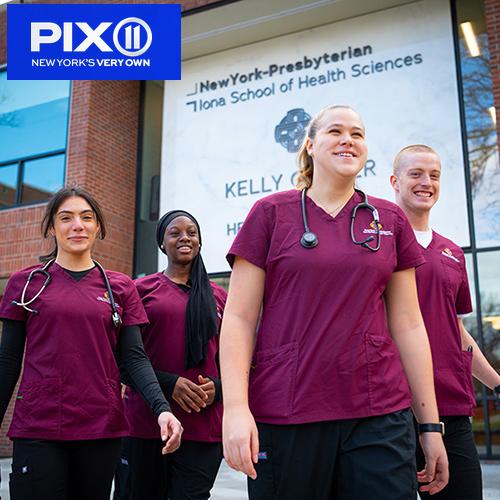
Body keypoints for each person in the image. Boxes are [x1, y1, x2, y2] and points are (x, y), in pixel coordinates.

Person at [220, 105, 449, 500]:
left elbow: (409, 324)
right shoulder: (271, 215)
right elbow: (239, 318)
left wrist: (430, 426)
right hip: (288, 410)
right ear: (310, 145)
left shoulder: (389, 219)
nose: (348, 140)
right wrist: (236, 409)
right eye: (335, 131)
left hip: (379, 413)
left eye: (357, 134)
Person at [0, 186, 183, 500]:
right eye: (66, 218)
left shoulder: (120, 287)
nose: (77, 225)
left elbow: (135, 358)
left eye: (86, 217)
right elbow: (7, 361)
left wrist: (161, 409)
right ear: (51, 227)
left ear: (98, 226)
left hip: (100, 426)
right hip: (40, 425)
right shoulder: (26, 283)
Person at [391, 144, 500, 499]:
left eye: (434, 175)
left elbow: (456, 331)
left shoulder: (452, 252)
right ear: (394, 181)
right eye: (416, 174)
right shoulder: (377, 247)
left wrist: (497, 384)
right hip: (391, 412)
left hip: (449, 409)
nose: (426, 182)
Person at [119, 210, 227, 500]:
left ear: (200, 242)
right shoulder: (139, 290)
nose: (185, 238)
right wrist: (170, 383)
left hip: (203, 425)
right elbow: (121, 359)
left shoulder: (220, 297)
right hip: (146, 423)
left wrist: (218, 389)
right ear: (162, 243)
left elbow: (237, 359)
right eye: (175, 232)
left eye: (192, 232)